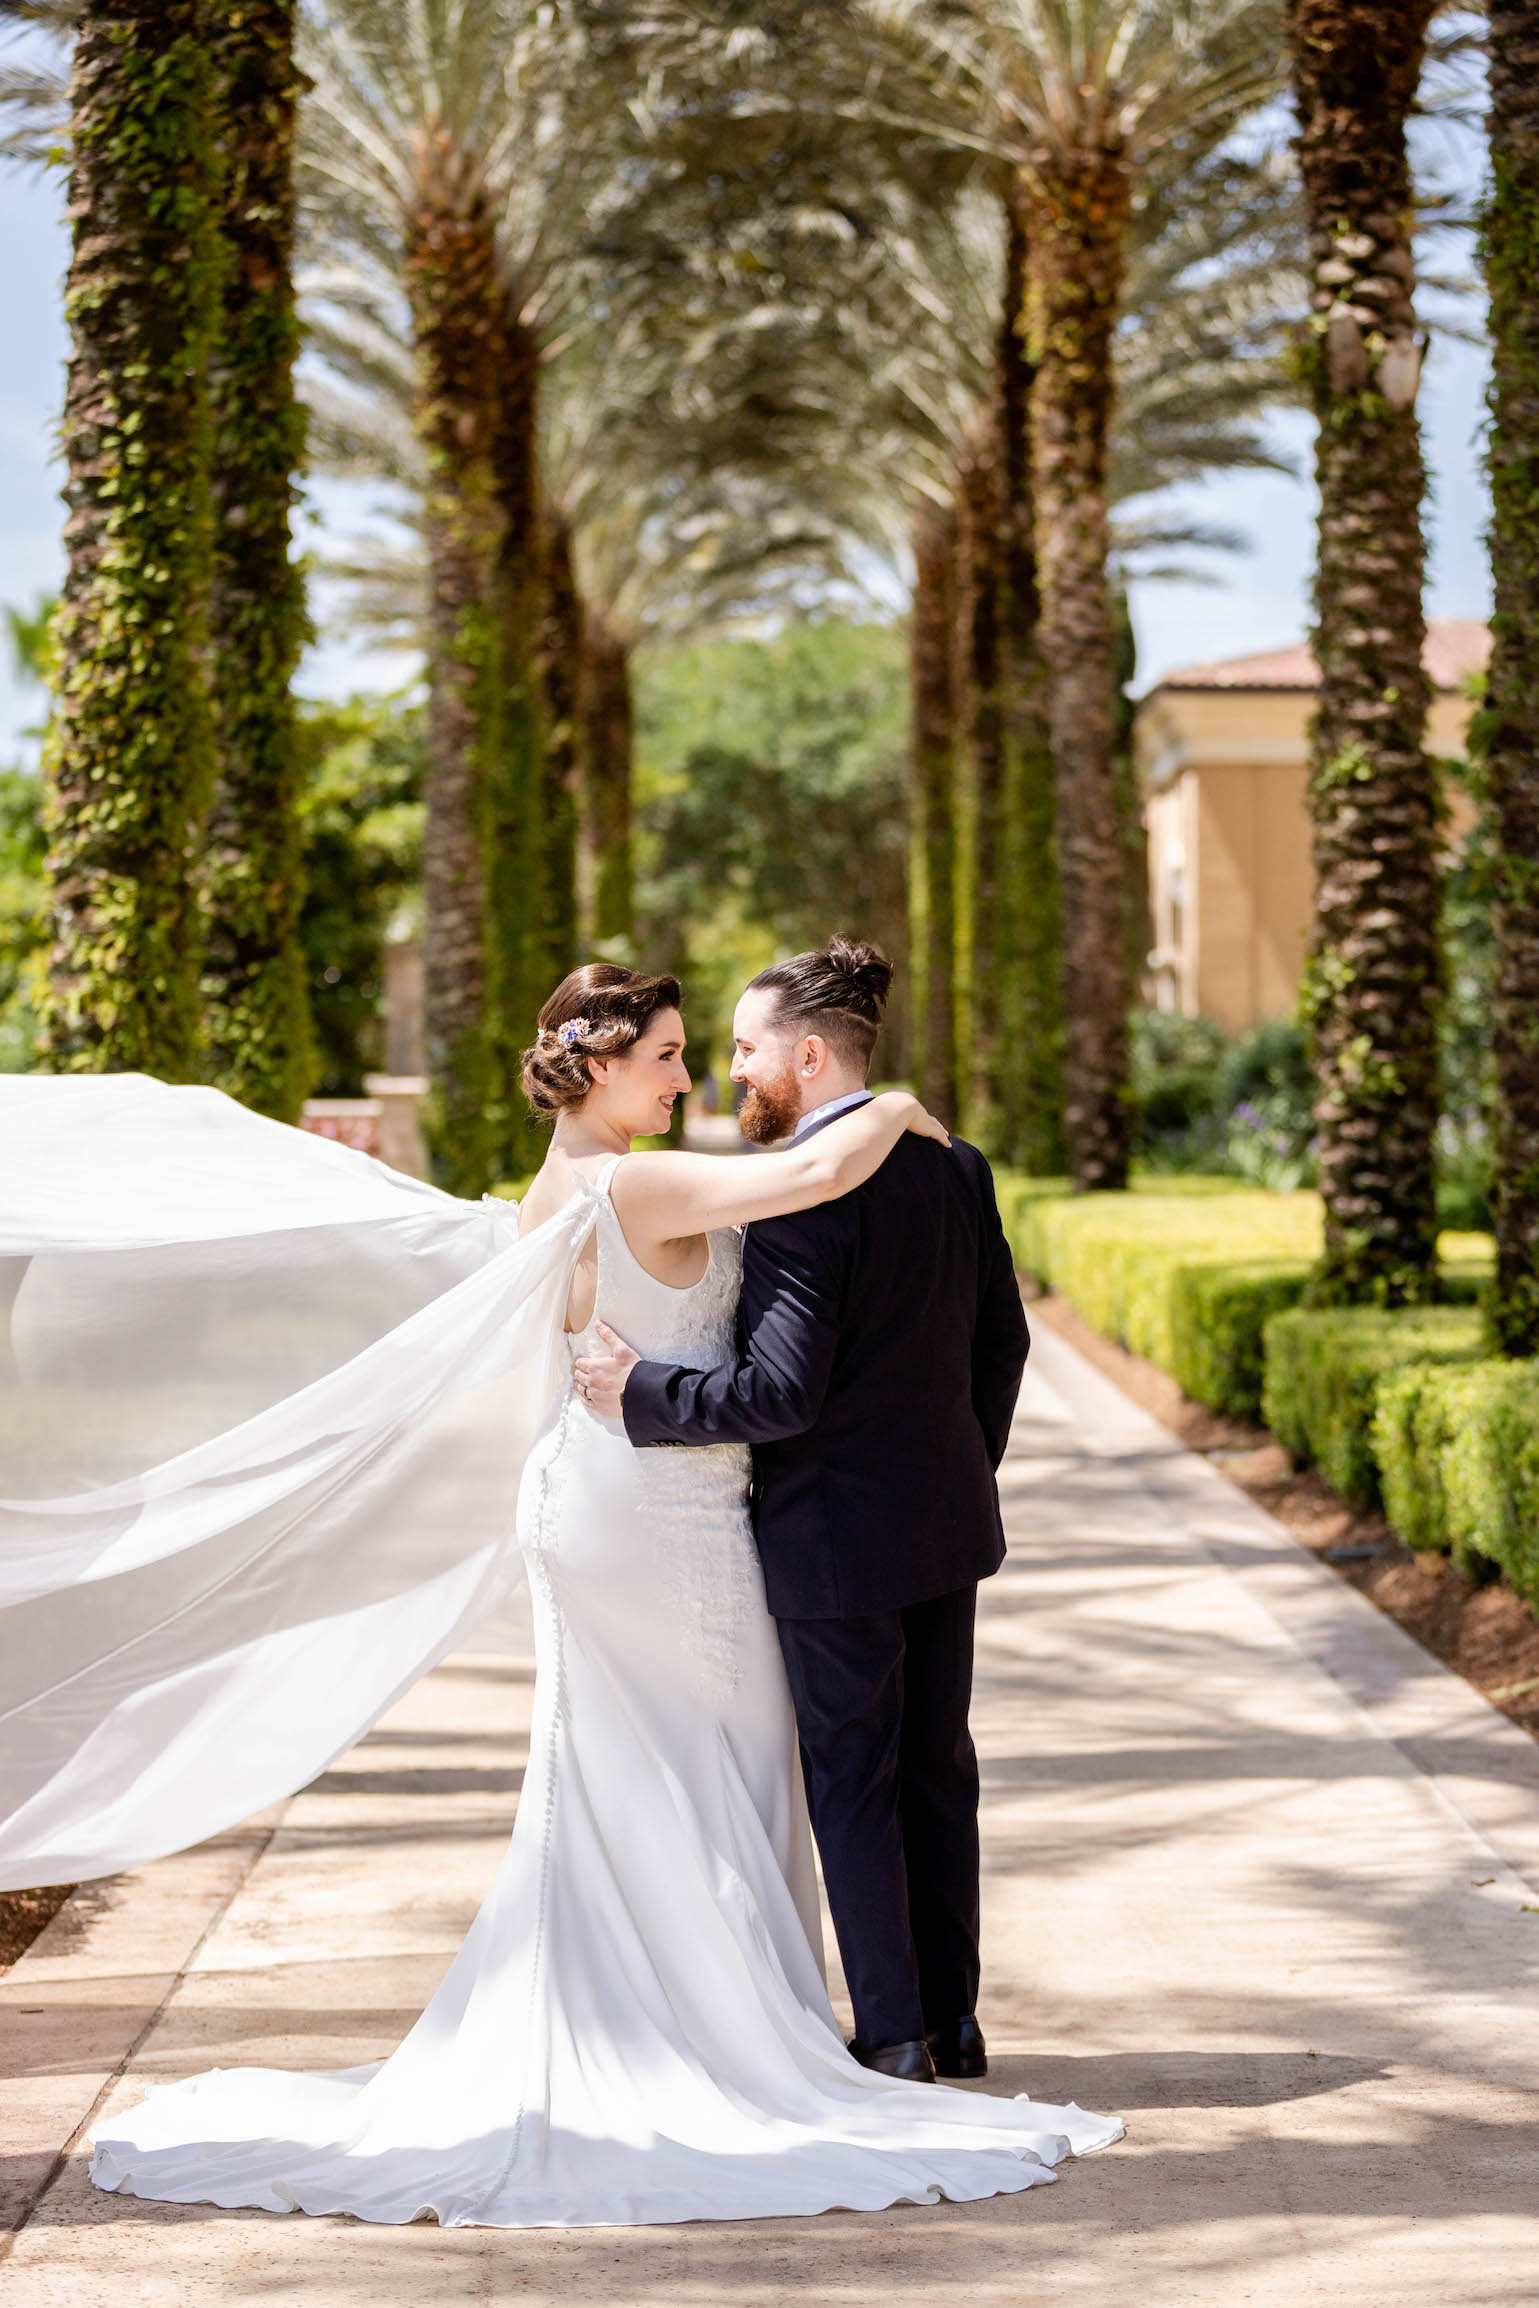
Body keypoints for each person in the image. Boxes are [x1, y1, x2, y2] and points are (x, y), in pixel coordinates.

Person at [3, 965, 1118, 2229]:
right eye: (668, 1057)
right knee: (727, 1762)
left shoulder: (548, 1189)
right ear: (598, 1067)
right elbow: (810, 1180)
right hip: (646, 1511)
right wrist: (893, 1100)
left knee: (656, 1769)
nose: (693, 1078)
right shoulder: (633, 1181)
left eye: (706, 1052)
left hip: (621, 1500)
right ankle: (753, 2029)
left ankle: (717, 2016)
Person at [574, 939, 1028, 2085]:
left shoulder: (796, 1205)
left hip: (832, 1539)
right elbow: (1003, 1346)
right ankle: (952, 2023)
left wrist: (643, 1392)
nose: (729, 1073)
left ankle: (887, 2035)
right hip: (945, 1524)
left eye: (743, 1050)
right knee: (937, 1765)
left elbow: (779, 1395)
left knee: (855, 1778)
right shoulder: (956, 1166)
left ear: (809, 1055)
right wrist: (962, 1466)